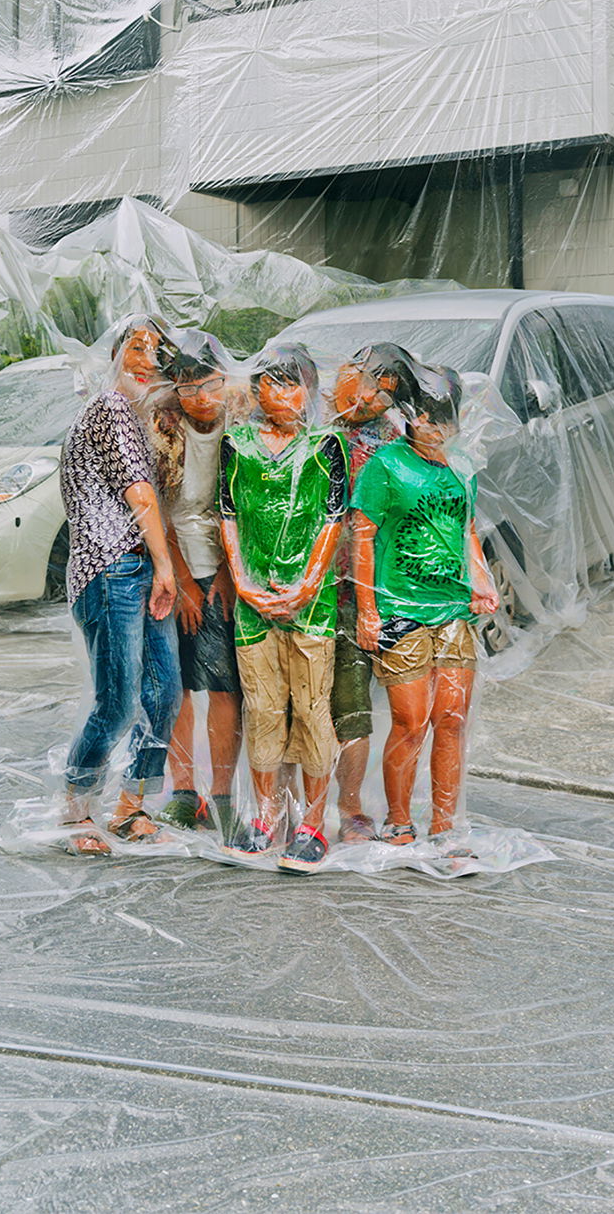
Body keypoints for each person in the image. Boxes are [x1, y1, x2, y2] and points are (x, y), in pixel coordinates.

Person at [350, 364, 500, 850]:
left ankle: (443, 822)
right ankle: (397, 818)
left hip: (453, 610)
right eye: (423, 416)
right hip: (401, 609)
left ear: (456, 423)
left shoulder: (462, 468)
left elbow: (467, 530)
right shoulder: (386, 465)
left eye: (441, 419)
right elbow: (364, 540)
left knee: (451, 721)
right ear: (409, 417)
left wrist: (481, 579)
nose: (431, 427)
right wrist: (368, 612)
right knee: (411, 722)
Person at [218, 343, 348, 872]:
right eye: (270, 384)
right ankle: (266, 816)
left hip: (311, 605)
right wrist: (243, 582)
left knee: (313, 711)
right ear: (256, 390)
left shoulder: (326, 445)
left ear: (311, 391)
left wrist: (308, 585)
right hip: (253, 601)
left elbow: (332, 519)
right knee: (264, 710)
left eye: (292, 384)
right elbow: (226, 513)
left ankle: (313, 823)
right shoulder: (237, 443)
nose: (281, 395)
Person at [57, 315, 182, 855]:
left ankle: (131, 807)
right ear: (114, 353)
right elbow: (140, 496)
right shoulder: (109, 408)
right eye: (136, 346)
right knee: (119, 701)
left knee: (165, 692)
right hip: (110, 571)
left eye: (157, 353)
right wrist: (167, 566)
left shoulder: (134, 416)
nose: (145, 359)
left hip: (135, 571)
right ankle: (77, 813)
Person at [148, 330, 245, 842]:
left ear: (225, 381)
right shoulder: (163, 423)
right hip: (174, 563)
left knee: (227, 684)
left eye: (209, 386)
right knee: (179, 684)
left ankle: (225, 795)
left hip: (230, 565)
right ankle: (185, 792)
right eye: (189, 390)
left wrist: (231, 572)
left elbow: (247, 503)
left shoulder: (242, 419)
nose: (201, 400)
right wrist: (181, 578)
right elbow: (153, 504)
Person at [328, 343, 418, 843]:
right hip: (314, 591)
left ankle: (359, 809)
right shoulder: (306, 424)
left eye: (381, 395)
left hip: (377, 591)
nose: (365, 399)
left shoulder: (394, 441)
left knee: (363, 706)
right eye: (360, 383)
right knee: (319, 703)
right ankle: (325, 808)